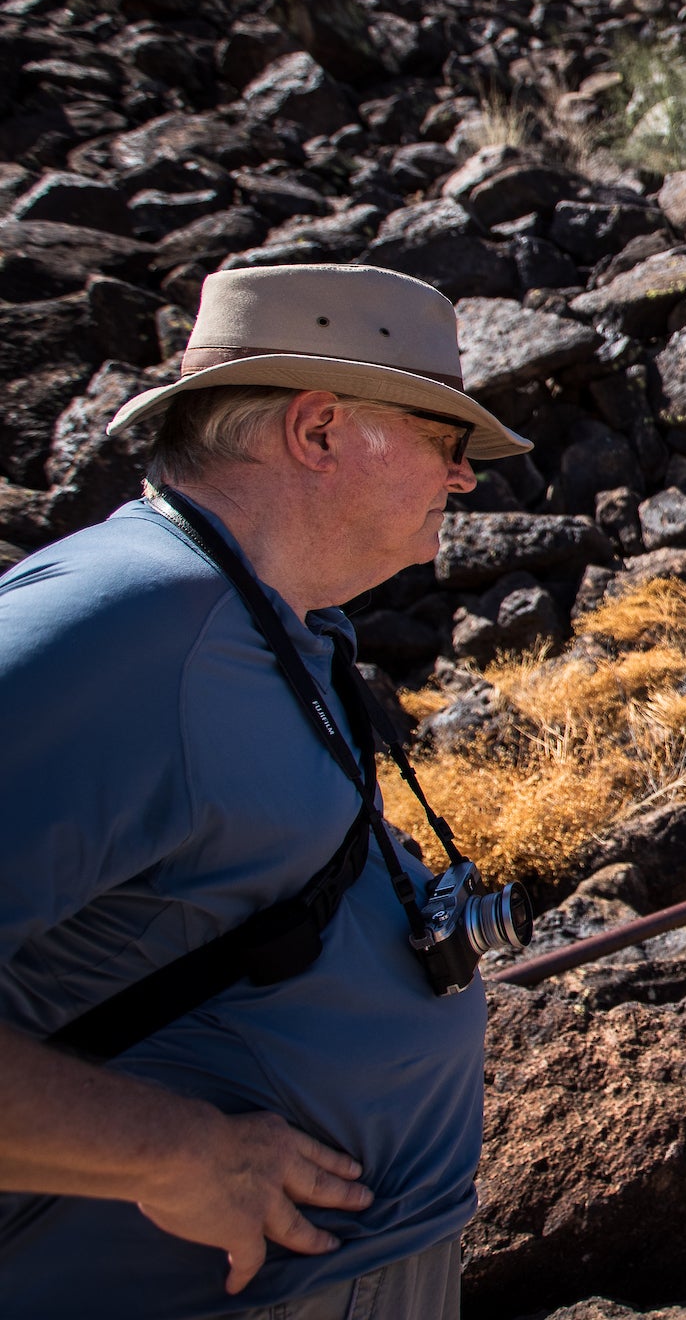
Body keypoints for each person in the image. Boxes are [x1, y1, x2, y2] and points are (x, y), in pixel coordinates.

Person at [0, 264, 533, 1320]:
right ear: (321, 430)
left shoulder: (269, 620)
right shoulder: (119, 627)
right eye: (445, 440)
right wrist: (173, 1154)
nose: (464, 479)